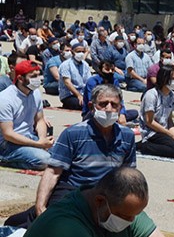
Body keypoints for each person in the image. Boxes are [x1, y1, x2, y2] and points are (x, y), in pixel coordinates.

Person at [4, 84, 136, 228]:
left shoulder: (127, 136)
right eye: (103, 104)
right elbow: (53, 172)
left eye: (114, 105)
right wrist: (40, 207)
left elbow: (129, 174)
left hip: (107, 193)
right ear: (92, 106)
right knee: (47, 224)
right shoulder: (73, 134)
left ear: (120, 108)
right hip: (75, 191)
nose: (109, 109)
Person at [15, 167, 174, 237]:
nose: (131, 221)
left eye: (135, 215)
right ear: (100, 201)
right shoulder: (66, 227)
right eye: (125, 215)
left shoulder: (126, 211)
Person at [0, 61, 52, 171]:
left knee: (63, 154)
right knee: (45, 160)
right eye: (33, 76)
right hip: (8, 144)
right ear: (20, 79)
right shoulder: (5, 99)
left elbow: (40, 120)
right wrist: (37, 144)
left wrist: (42, 139)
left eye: (39, 75)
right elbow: (8, 134)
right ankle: (4, 159)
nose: (38, 79)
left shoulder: (35, 93)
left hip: (29, 137)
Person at [138, 66, 174, 158]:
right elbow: (149, 122)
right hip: (152, 133)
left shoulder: (171, 95)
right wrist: (171, 135)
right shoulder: (151, 95)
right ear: (164, 79)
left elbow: (169, 119)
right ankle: (145, 146)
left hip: (165, 131)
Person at [82, 60, 137, 124]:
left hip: (111, 110)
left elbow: (120, 99)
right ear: (100, 69)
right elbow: (92, 101)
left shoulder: (114, 81)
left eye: (112, 70)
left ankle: (113, 120)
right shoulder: (92, 81)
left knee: (134, 113)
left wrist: (122, 114)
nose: (110, 72)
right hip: (95, 111)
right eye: (107, 69)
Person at [58, 43, 92, 110]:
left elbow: (89, 80)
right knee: (83, 105)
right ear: (72, 52)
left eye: (83, 51)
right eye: (78, 51)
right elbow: (67, 82)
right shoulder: (66, 65)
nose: (81, 53)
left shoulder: (85, 65)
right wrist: (78, 95)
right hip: (69, 94)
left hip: (83, 93)